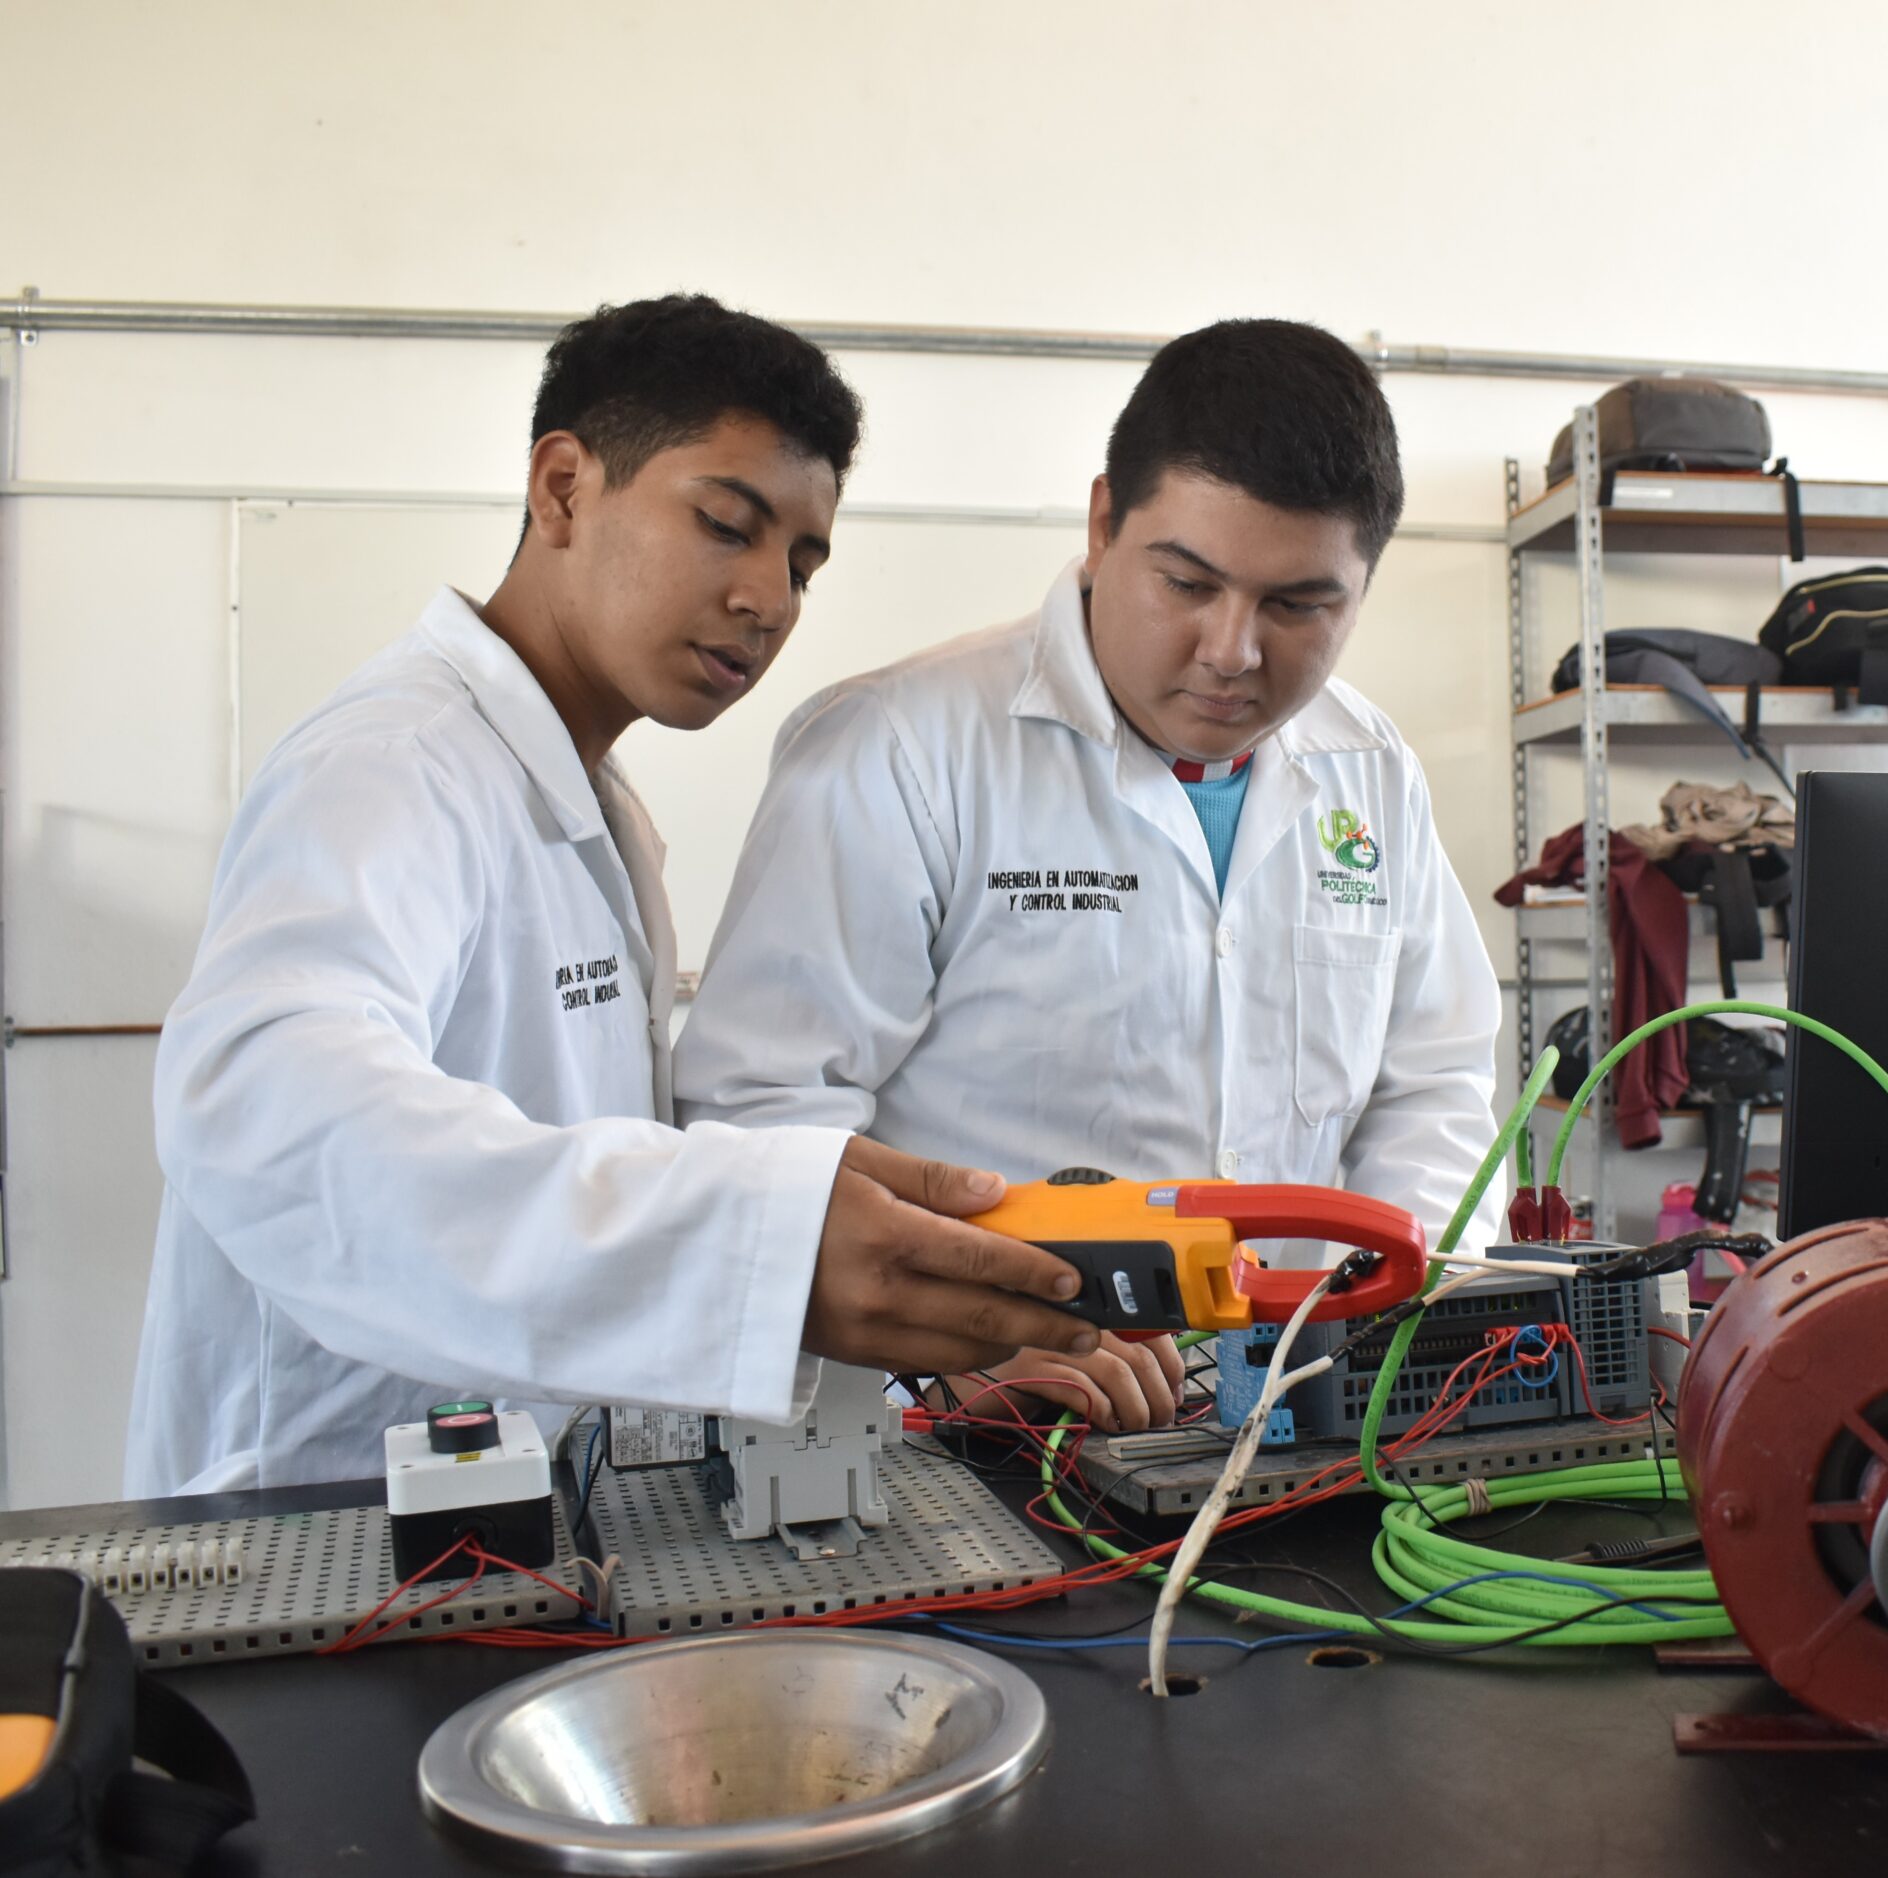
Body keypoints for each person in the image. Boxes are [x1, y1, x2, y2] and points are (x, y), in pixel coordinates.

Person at [126, 295, 1100, 1496]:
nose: (770, 599)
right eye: (726, 525)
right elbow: (263, 1104)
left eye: (802, 564)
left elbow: (595, 1201)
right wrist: (748, 1244)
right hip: (325, 1515)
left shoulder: (590, 802)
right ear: (563, 489)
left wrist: (873, 1307)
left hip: (509, 1507)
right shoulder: (394, 765)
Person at [674, 319, 1501, 1435]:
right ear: (1105, 522)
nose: (1232, 651)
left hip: (1307, 1423)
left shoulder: (1371, 769)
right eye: (1188, 582)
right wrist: (964, 1342)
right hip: (984, 1434)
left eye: (1299, 605)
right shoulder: (899, 750)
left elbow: (1432, 1082)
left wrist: (1406, 1325)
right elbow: (764, 1120)